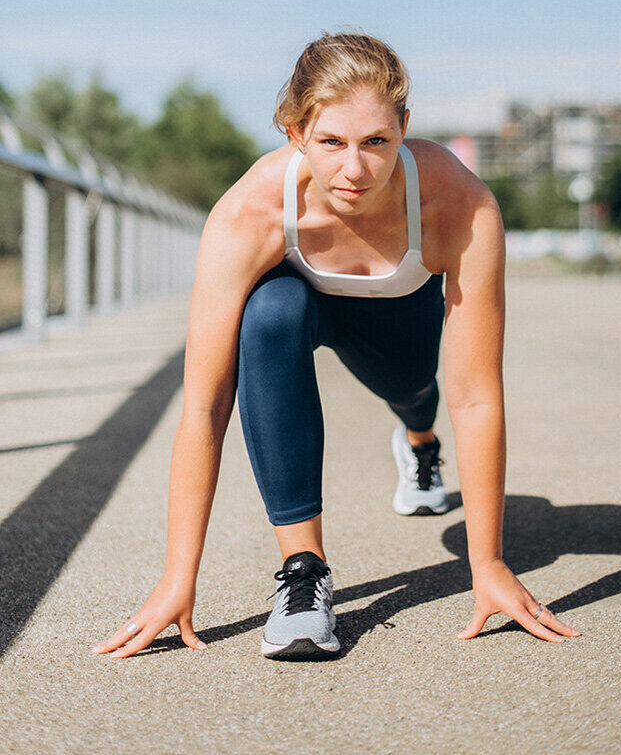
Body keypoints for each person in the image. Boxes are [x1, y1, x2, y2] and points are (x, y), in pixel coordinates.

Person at [94, 32, 581, 660]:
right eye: (331, 143)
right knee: (269, 312)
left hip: (401, 315)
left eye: (376, 141)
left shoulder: (459, 202)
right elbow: (206, 405)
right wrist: (176, 578)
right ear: (294, 131)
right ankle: (304, 574)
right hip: (306, 306)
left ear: (404, 127)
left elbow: (478, 395)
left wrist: (487, 563)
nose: (355, 170)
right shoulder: (250, 212)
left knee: (417, 393)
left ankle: (418, 442)